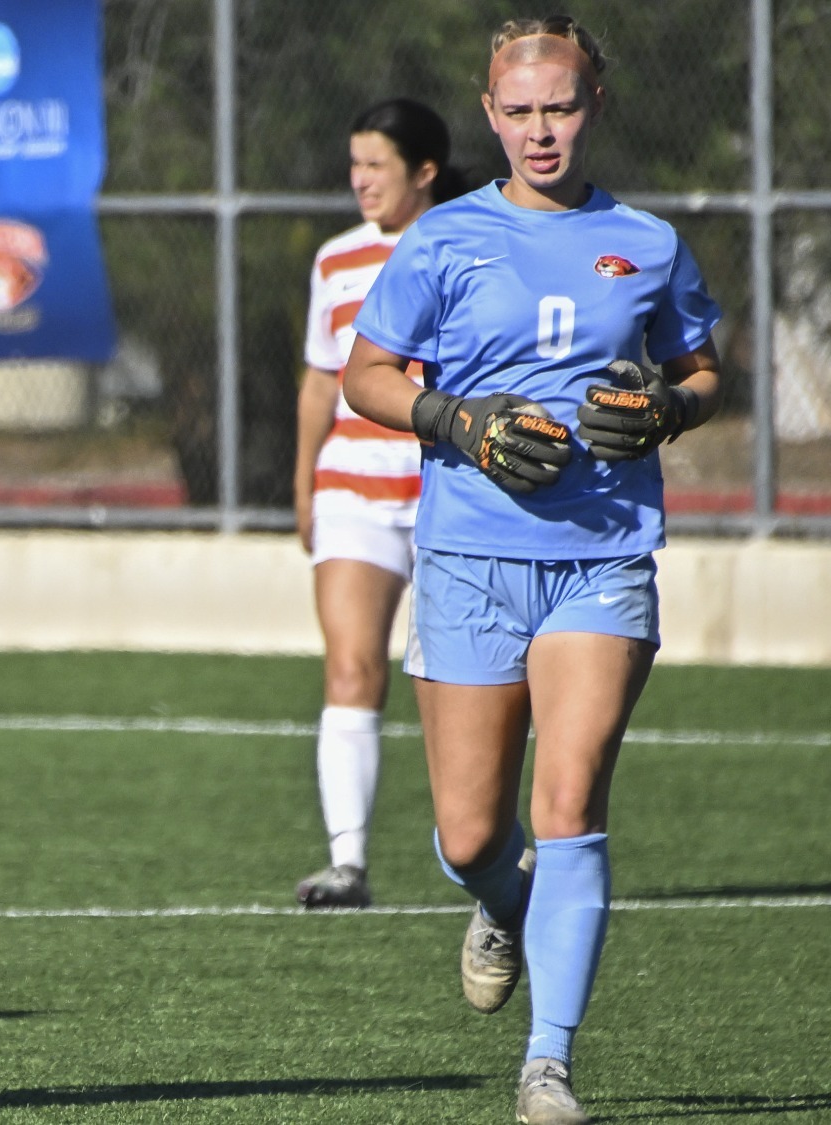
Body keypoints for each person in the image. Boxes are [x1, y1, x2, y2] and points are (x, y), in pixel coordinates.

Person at [343, 17, 722, 1125]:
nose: (538, 130)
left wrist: (663, 408)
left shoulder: (646, 242)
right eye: (517, 111)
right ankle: (498, 901)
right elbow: (368, 373)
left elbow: (701, 371)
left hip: (599, 558)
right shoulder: (442, 237)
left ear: (592, 104)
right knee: (468, 836)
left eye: (558, 107)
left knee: (568, 800)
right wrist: (451, 421)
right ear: (487, 113)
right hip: (464, 556)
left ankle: (546, 1065)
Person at [292, 99, 469, 909]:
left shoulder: (470, 243)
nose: (360, 180)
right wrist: (304, 483)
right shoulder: (335, 260)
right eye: (354, 163)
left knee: (462, 679)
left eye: (377, 165)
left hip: (451, 490)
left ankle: (483, 853)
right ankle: (347, 862)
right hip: (351, 492)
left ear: (424, 172)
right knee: (351, 664)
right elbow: (323, 379)